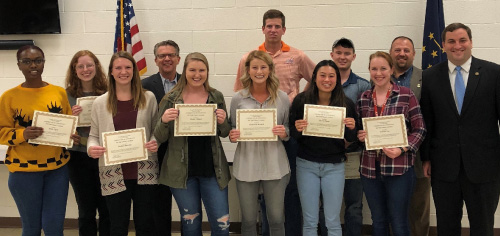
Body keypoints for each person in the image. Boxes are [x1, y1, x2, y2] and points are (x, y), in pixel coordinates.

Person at [233, 9, 315, 235]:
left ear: (283, 30)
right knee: (253, 207)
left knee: (285, 192)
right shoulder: (248, 57)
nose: (273, 30)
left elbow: (317, 77)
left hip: (283, 133)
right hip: (252, 144)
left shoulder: (297, 55)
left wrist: (299, 99)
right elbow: (239, 101)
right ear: (263, 29)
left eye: (277, 26)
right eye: (269, 26)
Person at [420, 22, 500, 236]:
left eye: (462, 40)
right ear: (444, 45)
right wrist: (426, 158)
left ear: (471, 42)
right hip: (444, 166)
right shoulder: (429, 77)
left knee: (483, 226)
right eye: (451, 41)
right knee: (447, 226)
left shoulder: (494, 73)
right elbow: (427, 121)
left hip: (485, 167)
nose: (457, 46)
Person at [0, 45, 77, 235]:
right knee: (31, 227)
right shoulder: (9, 97)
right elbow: (1, 132)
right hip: (24, 172)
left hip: (57, 170)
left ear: (43, 63)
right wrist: (22, 134)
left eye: (38, 60)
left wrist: (70, 136)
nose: (33, 65)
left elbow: (67, 124)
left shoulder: (58, 92)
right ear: (19, 65)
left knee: (54, 227)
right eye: (26, 61)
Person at [154, 52, 231, 236]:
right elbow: (159, 136)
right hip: (182, 172)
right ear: (185, 71)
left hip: (213, 170)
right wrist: (164, 120)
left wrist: (223, 121)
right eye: (192, 70)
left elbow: (225, 133)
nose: (197, 74)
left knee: (222, 225)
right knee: (191, 225)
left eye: (201, 70)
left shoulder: (216, 96)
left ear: (207, 72)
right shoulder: (171, 98)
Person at [87, 51, 159, 236]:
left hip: (144, 171)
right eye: (118, 67)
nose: (123, 72)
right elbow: (93, 136)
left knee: (145, 224)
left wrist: (154, 142)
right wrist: (91, 148)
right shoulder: (100, 102)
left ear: (134, 71)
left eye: (128, 67)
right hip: (114, 173)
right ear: (111, 71)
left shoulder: (148, 98)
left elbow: (155, 131)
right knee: (117, 226)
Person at [357, 51, 426, 236]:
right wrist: (360, 135)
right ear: (369, 71)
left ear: (392, 70)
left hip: (399, 168)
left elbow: (420, 129)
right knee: (378, 221)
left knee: (399, 222)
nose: (378, 73)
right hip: (370, 170)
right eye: (374, 69)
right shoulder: (363, 98)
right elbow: (358, 130)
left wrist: (402, 148)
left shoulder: (406, 95)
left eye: (383, 69)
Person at [290, 60, 357, 236]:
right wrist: (296, 128)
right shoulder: (301, 101)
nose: (327, 80)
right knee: (310, 221)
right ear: (315, 78)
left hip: (334, 166)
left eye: (331, 76)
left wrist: (351, 128)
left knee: (333, 221)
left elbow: (351, 138)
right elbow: (293, 135)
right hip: (306, 164)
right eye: (322, 75)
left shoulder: (346, 103)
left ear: (337, 79)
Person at [229, 50, 290, 236]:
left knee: (277, 219)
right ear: (248, 70)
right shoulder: (238, 98)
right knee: (248, 220)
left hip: (275, 165)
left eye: (263, 67)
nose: (259, 71)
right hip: (246, 164)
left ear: (270, 69)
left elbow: (288, 128)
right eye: (254, 67)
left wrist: (284, 132)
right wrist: (233, 135)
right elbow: (232, 126)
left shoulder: (282, 98)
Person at [327, 37, 370, 236]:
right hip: (325, 156)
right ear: (331, 55)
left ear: (353, 56)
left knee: (353, 205)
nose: (342, 57)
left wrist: (350, 138)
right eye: (338, 52)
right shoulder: (320, 82)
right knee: (326, 206)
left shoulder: (362, 86)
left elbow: (367, 119)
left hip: (353, 154)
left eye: (346, 53)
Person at [65, 50, 110, 236]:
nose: (86, 69)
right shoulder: (66, 95)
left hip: (104, 155)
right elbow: (59, 127)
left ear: (96, 67)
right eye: (80, 66)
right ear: (74, 70)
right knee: (86, 209)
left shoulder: (109, 92)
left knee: (107, 207)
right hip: (78, 157)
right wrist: (70, 119)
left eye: (89, 65)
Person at [389, 36, 429, 236]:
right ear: (391, 53)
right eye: (397, 50)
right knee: (393, 205)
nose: (402, 54)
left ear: (414, 54)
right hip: (388, 153)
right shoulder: (380, 77)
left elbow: (432, 117)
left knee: (419, 207)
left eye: (406, 50)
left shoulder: (427, 78)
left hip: (419, 153)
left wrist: (430, 156)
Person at [141, 40, 181, 236]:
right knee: (159, 206)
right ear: (155, 60)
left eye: (171, 55)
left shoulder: (190, 81)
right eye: (162, 56)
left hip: (183, 153)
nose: (167, 59)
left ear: (178, 59)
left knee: (187, 205)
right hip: (156, 153)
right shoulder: (144, 86)